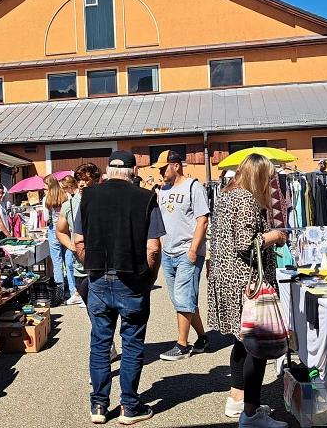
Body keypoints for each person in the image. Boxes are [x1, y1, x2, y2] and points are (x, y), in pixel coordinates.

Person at [73, 150, 164, 425]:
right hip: (133, 277)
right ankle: (129, 407)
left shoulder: (88, 196)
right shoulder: (146, 198)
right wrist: (150, 277)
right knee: (133, 343)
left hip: (99, 277)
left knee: (100, 343)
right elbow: (153, 248)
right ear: (133, 171)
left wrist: (92, 266)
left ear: (107, 171)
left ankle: (99, 407)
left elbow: (78, 241)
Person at [206, 154, 289, 427]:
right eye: (267, 178)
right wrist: (274, 236)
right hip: (246, 281)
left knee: (243, 342)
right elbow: (245, 243)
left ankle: (238, 401)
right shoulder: (244, 198)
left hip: (228, 278)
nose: (269, 183)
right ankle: (251, 414)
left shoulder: (227, 193)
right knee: (257, 346)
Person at [151, 149, 210, 361]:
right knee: (180, 299)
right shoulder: (163, 190)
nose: (161, 173)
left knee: (184, 297)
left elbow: (202, 221)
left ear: (176, 166)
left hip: (188, 251)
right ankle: (202, 337)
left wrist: (193, 250)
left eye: (163, 168)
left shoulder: (194, 187)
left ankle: (182, 345)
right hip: (169, 252)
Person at [56, 163, 102, 307]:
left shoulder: (104, 202)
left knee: (102, 312)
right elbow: (60, 232)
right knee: (91, 309)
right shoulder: (68, 206)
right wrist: (70, 244)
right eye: (79, 180)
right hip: (80, 267)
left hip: (103, 266)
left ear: (96, 180)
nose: (82, 184)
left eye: (86, 180)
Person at [44, 174, 70, 301]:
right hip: (67, 229)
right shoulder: (66, 196)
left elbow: (45, 218)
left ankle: (60, 292)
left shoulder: (47, 198)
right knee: (69, 261)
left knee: (57, 261)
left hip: (54, 228)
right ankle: (73, 290)